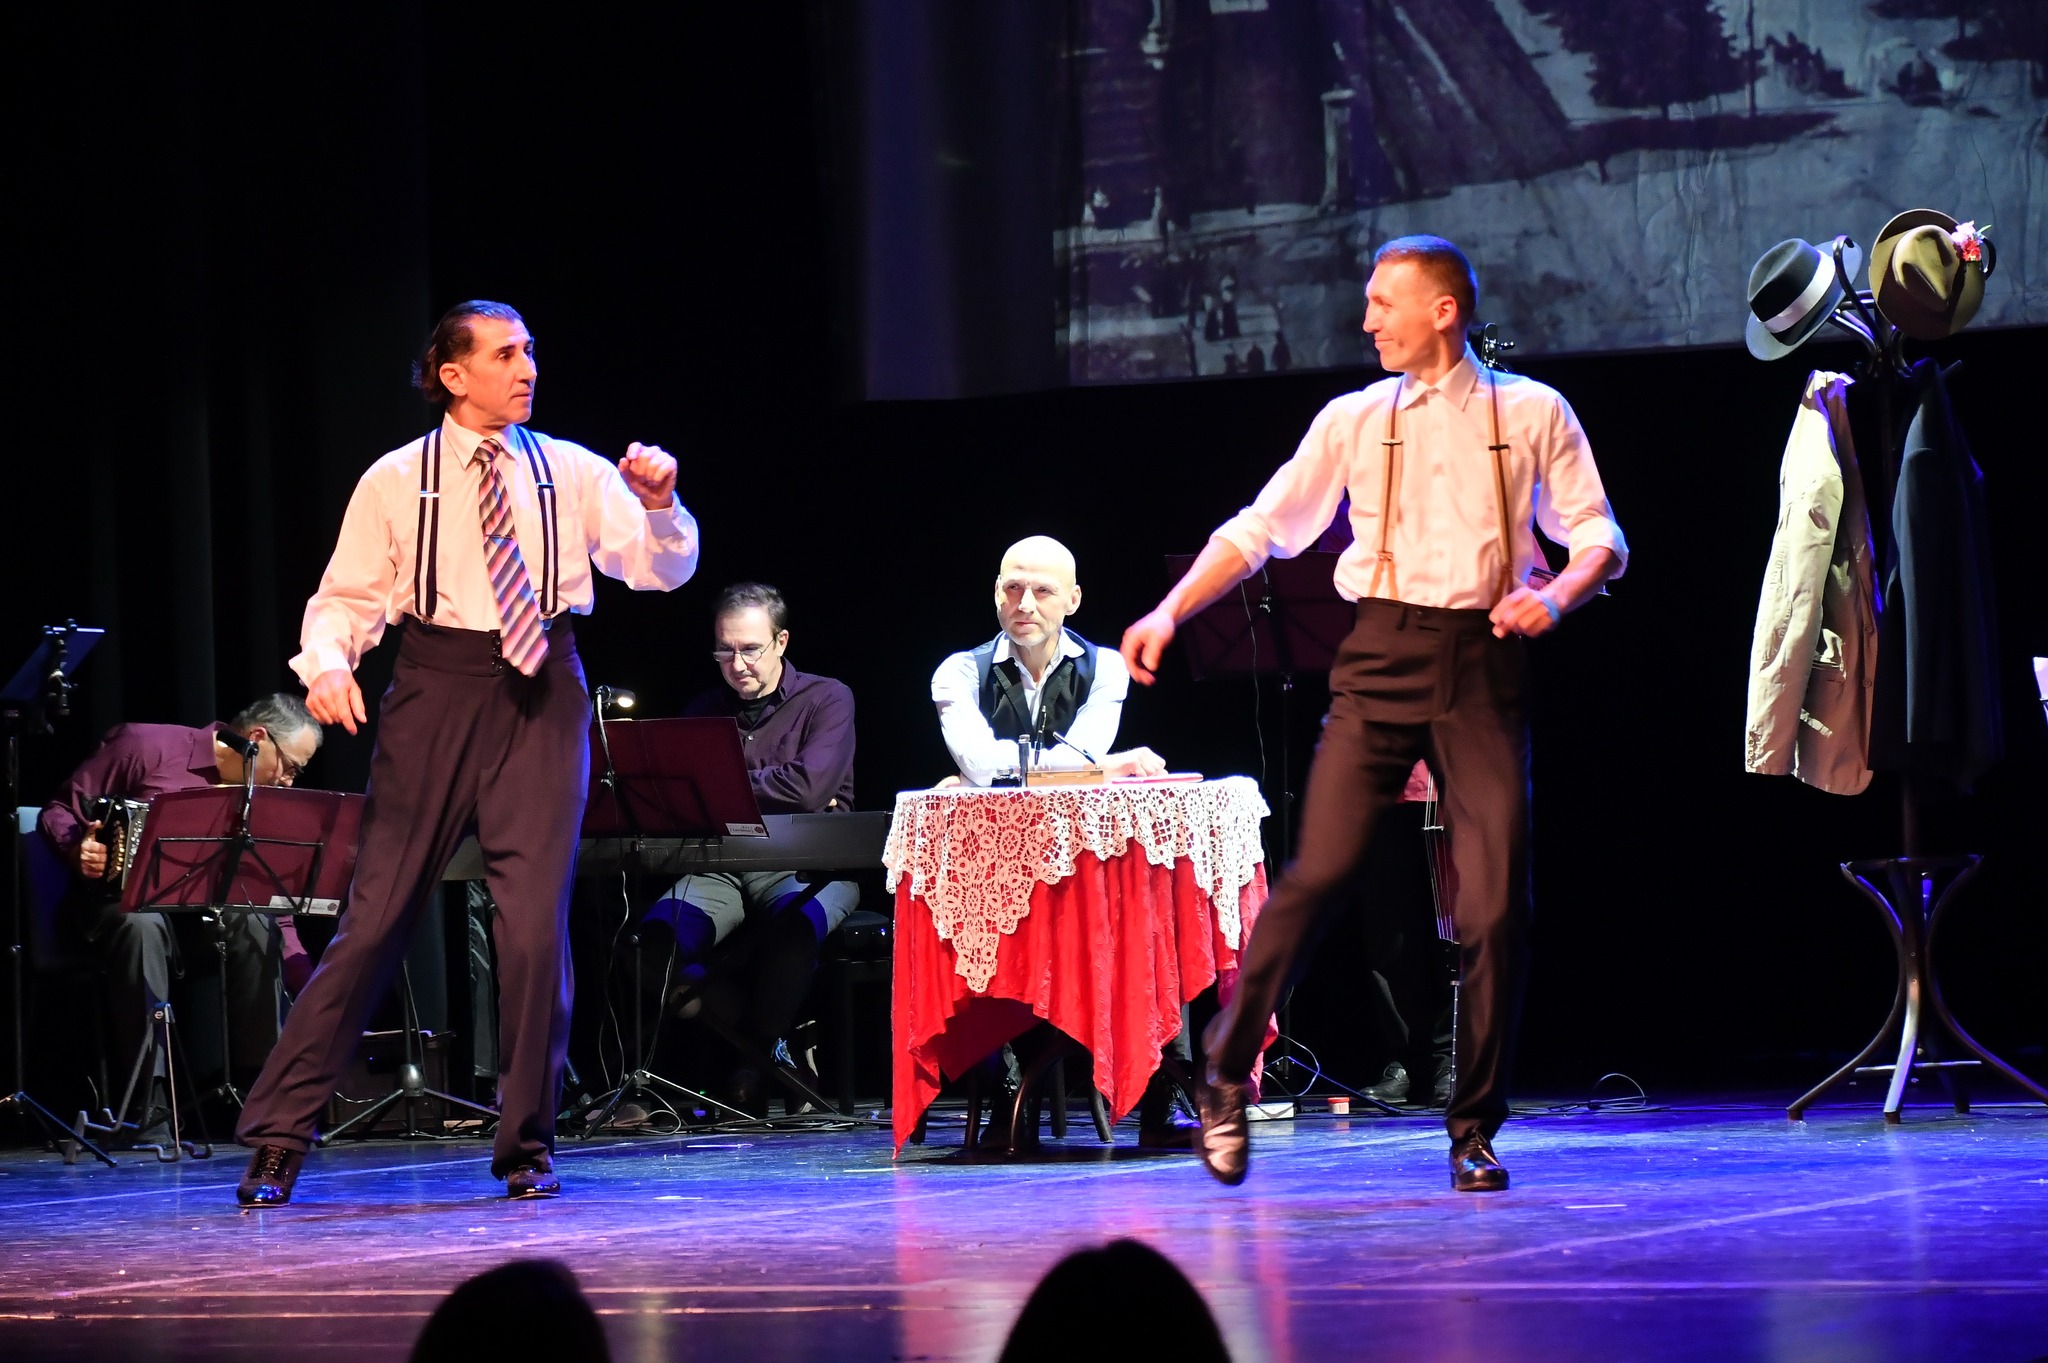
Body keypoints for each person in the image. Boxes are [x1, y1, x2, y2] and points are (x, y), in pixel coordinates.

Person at [1121, 236, 1627, 1191]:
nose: (1366, 322)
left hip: (1484, 657)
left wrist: (1558, 596)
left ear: (1443, 310)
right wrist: (1169, 611)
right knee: (1319, 874)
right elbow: (1261, 527)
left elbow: (1600, 534)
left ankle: (1473, 1128)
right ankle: (1225, 1070)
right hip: (1382, 652)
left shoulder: (1531, 411)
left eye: (1382, 303)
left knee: (1495, 907)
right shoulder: (1355, 419)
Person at [234, 300, 698, 1206]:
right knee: (376, 919)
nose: (527, 368)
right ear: (453, 374)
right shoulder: (396, 478)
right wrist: (327, 666)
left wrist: (658, 504)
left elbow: (659, 568)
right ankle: (280, 1134)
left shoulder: (569, 468)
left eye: (530, 351)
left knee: (532, 929)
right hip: (436, 685)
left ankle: (527, 1142)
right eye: (505, 354)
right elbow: (345, 599)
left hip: (544, 686)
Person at [38, 694, 323, 1117]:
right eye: (290, 767)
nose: (289, 782)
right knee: (141, 926)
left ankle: (259, 1094)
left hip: (195, 926)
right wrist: (79, 848)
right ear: (257, 739)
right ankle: (149, 1101)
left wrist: (306, 976)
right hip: (116, 911)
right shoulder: (145, 746)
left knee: (254, 924)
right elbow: (60, 809)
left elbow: (266, 896)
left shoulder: (261, 799)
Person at [646, 582, 858, 1116]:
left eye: (750, 649)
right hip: (719, 866)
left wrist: (722, 783)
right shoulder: (702, 709)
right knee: (648, 947)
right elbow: (681, 796)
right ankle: (769, 1046)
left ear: (781, 642)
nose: (736, 664)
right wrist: (774, 783)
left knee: (790, 934)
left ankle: (751, 1063)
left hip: (807, 865)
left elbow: (808, 790)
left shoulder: (827, 698)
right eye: (725, 651)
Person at [932, 535, 1163, 786]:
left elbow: (1083, 754)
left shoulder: (1106, 667)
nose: (1025, 605)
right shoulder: (959, 671)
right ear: (997, 592)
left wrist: (1088, 767)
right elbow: (981, 764)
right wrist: (1102, 768)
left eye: (1043, 590)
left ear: (1073, 600)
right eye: (1013, 587)